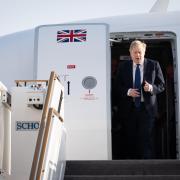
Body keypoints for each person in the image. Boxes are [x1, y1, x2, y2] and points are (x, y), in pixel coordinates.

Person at [116, 40, 165, 159]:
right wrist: (128, 92)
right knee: (131, 139)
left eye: (140, 52)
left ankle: (147, 167)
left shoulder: (154, 65)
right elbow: (117, 86)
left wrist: (151, 88)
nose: (138, 55)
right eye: (135, 52)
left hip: (147, 109)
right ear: (130, 53)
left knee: (146, 138)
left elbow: (162, 85)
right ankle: (132, 167)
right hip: (129, 109)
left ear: (144, 52)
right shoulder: (123, 67)